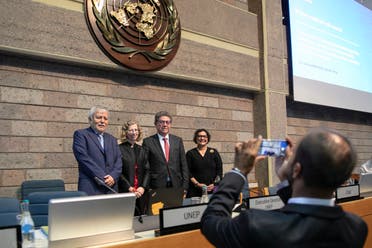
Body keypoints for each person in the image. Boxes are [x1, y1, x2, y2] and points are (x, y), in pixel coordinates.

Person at [201, 128, 368, 247]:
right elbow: (307, 216)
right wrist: (288, 180)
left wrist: (239, 170)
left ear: (297, 169)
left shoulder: (256, 224)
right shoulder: (356, 227)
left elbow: (211, 221)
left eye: (293, 155)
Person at [72, 106, 122, 195]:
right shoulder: (81, 135)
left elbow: (118, 161)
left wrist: (113, 177)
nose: (102, 121)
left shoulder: (112, 139)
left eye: (105, 118)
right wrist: (103, 178)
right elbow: (83, 158)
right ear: (90, 119)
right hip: (90, 186)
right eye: (98, 117)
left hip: (111, 187)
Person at [142, 111, 189, 192]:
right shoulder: (148, 142)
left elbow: (183, 164)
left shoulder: (177, 141)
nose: (165, 125)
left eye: (167, 122)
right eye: (161, 122)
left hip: (176, 184)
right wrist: (147, 186)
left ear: (170, 124)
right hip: (156, 185)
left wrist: (185, 186)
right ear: (156, 124)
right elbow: (146, 166)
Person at [118, 120, 150, 215]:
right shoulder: (119, 149)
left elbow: (147, 170)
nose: (134, 132)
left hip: (141, 192)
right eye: (131, 130)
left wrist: (143, 187)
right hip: (126, 191)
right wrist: (128, 187)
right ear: (125, 132)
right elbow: (118, 171)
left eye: (136, 130)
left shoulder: (142, 149)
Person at [186, 128, 223, 198]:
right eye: (199, 136)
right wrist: (197, 184)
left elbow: (219, 170)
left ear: (208, 138)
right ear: (196, 138)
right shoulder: (190, 153)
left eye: (204, 136)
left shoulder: (214, 152)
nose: (202, 138)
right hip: (195, 190)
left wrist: (214, 184)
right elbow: (187, 172)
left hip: (212, 189)